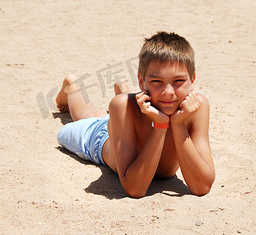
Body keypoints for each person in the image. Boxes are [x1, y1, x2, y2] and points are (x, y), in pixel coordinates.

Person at [55, 31, 215, 198]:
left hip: (139, 112)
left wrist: (177, 124)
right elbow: (135, 189)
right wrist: (160, 125)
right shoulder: (122, 108)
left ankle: (125, 91)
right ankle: (72, 86)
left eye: (178, 81)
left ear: (193, 79)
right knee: (84, 118)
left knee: (129, 104)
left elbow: (202, 186)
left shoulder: (197, 107)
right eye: (156, 82)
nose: (168, 92)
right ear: (141, 81)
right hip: (103, 137)